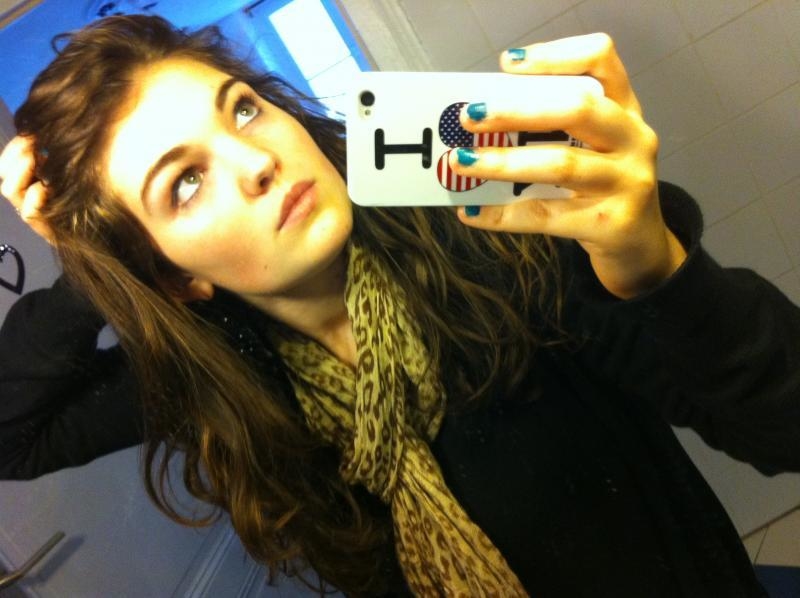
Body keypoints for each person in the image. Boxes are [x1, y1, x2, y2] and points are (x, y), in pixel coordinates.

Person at [0, 14, 798, 598]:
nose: (255, 159)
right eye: (185, 182)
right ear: (177, 279)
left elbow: (784, 429)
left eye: (242, 108)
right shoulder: (226, 383)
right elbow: (13, 439)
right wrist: (90, 270)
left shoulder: (496, 247)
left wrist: (657, 268)